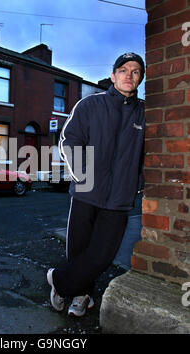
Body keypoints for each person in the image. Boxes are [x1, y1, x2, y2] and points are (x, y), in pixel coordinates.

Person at [47, 52, 145, 317]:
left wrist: (138, 183)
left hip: (120, 199)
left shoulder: (145, 113)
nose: (129, 75)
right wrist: (82, 175)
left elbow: (150, 155)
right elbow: (69, 139)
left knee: (102, 255)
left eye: (135, 72)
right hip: (86, 193)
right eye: (123, 70)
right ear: (113, 76)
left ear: (139, 79)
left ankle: (58, 281)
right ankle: (81, 295)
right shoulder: (90, 105)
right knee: (79, 251)